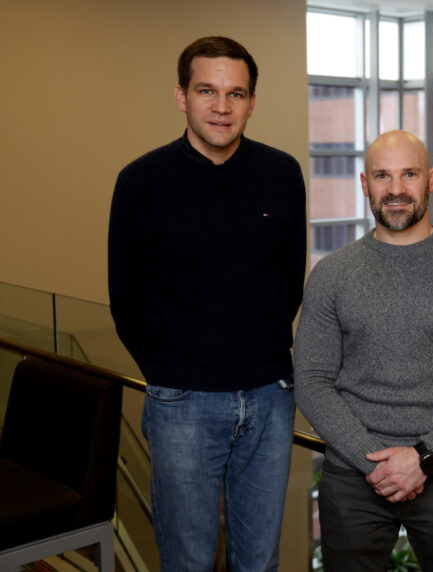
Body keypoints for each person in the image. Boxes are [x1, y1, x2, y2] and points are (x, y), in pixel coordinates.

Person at [108, 36, 306, 571]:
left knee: (259, 561)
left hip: (270, 396)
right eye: (207, 91)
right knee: (189, 561)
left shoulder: (282, 173)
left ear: (251, 101)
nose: (222, 106)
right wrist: (170, 375)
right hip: (183, 404)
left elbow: (291, 283)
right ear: (181, 97)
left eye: (236, 93)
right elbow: (124, 299)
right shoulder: (140, 182)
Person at [294, 130, 433, 571]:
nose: (395, 189)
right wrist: (375, 464)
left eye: (409, 174)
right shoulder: (331, 276)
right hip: (355, 480)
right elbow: (312, 383)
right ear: (364, 184)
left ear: (431, 179)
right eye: (382, 176)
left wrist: (425, 458)